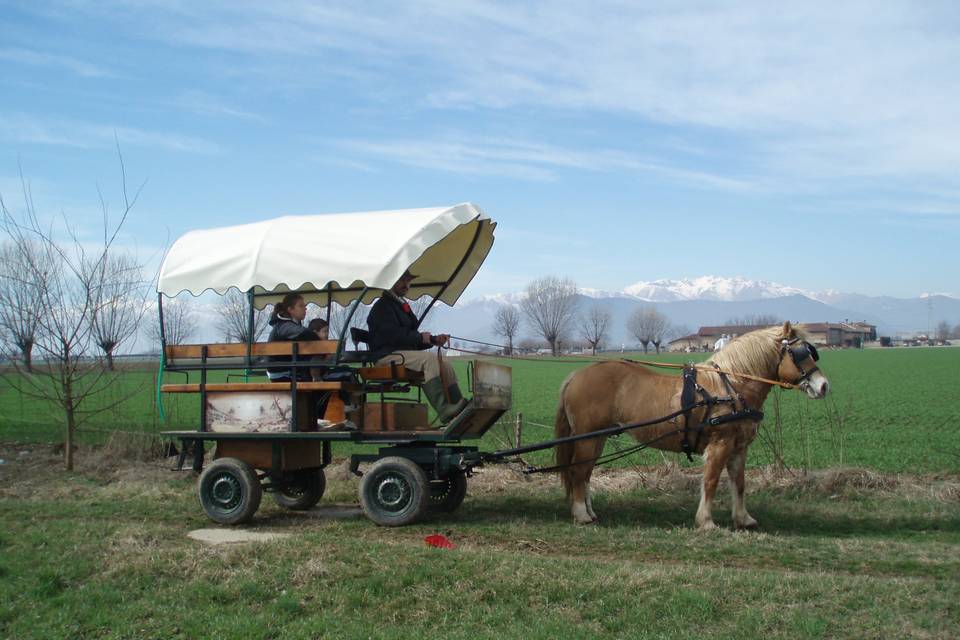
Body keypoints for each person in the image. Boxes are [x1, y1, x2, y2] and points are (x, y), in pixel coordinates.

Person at [366, 269, 469, 424]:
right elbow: (395, 335)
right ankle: (444, 409)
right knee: (429, 359)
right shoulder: (382, 308)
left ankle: (458, 406)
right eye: (402, 280)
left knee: (445, 364)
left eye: (408, 281)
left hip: (401, 354)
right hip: (386, 356)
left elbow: (409, 337)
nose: (406, 285)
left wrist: (433, 340)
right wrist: (421, 337)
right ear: (391, 281)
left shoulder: (400, 305)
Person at [265, 293, 318, 382]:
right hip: (282, 373)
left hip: (286, 371)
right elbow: (306, 334)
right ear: (290, 310)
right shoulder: (284, 326)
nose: (305, 308)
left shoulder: (286, 325)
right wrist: (318, 339)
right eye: (301, 306)